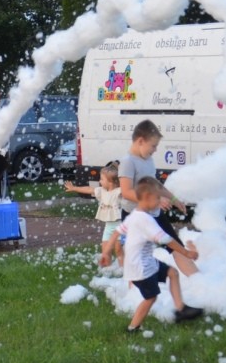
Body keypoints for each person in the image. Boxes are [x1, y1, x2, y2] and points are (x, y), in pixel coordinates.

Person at [100, 176, 202, 332]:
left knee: (172, 273)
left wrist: (106, 253)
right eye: (157, 198)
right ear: (147, 198)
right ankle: (132, 328)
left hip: (145, 262)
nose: (159, 202)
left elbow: (116, 232)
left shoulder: (134, 214)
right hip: (141, 269)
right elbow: (167, 240)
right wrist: (186, 253)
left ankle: (181, 309)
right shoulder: (144, 220)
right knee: (150, 298)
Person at [117, 120, 195, 275]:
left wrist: (174, 199)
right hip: (135, 215)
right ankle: (135, 292)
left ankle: (198, 280)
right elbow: (126, 192)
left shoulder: (149, 160)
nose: (156, 150)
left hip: (154, 213)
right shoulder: (128, 162)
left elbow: (155, 185)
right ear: (140, 141)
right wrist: (156, 200)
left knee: (175, 245)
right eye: (153, 146)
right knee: (138, 258)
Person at [63, 161, 123, 268]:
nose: (99, 181)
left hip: (120, 226)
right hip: (109, 226)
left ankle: (124, 270)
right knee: (105, 249)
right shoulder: (102, 191)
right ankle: (107, 270)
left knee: (119, 249)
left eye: (102, 179)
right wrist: (74, 188)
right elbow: (89, 189)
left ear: (111, 182)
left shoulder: (119, 192)